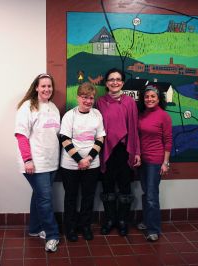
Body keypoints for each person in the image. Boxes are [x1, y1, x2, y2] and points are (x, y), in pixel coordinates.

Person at [14, 73, 60, 252]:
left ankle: (34, 228)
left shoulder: (53, 107)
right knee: (45, 199)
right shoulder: (28, 106)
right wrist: (27, 159)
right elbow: (21, 135)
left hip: (51, 162)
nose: (47, 89)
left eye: (49, 86)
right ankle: (52, 235)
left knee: (40, 196)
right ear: (36, 87)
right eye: (43, 86)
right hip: (35, 162)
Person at [95, 68, 141, 236]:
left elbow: (134, 128)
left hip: (125, 150)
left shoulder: (130, 102)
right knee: (107, 186)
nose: (115, 82)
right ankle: (109, 220)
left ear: (122, 82)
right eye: (111, 79)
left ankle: (122, 221)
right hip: (106, 150)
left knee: (124, 186)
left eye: (118, 79)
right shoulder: (100, 102)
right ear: (106, 83)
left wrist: (136, 152)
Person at [59, 82, 106, 242]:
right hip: (70, 165)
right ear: (78, 97)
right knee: (71, 197)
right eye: (85, 97)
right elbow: (64, 139)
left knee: (88, 197)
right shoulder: (69, 115)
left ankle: (85, 226)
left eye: (91, 98)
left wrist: (89, 159)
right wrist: (80, 160)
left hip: (92, 165)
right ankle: (70, 228)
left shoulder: (97, 115)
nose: (88, 101)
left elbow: (100, 138)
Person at [137, 85, 172, 242]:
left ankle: (154, 229)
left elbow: (168, 140)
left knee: (152, 196)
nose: (149, 99)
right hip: (142, 160)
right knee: (146, 193)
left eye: (153, 96)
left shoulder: (164, 116)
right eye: (146, 96)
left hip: (155, 161)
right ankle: (146, 221)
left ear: (159, 99)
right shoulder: (142, 114)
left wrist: (165, 162)